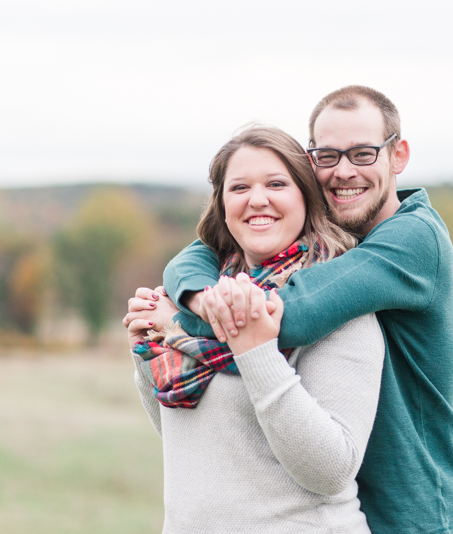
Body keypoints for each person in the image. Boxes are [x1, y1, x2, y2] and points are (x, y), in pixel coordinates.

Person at [128, 85, 453, 534]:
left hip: (412, 511)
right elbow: (197, 252)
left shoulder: (412, 241)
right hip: (353, 495)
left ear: (398, 156)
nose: (344, 171)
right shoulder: (301, 252)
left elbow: (290, 313)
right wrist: (188, 299)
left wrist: (178, 321)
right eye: (327, 156)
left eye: (363, 153)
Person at [125, 126, 385, 533]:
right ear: (223, 204)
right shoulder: (194, 303)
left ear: (306, 196)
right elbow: (197, 444)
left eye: (276, 184)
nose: (257, 199)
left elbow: (331, 471)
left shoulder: (335, 309)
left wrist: (257, 352)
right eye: (239, 187)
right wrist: (150, 351)